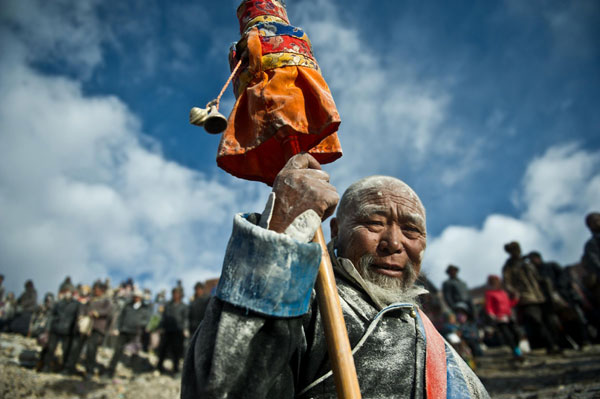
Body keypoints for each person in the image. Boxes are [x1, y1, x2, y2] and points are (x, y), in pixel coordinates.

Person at [181, 154, 489, 398]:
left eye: (411, 231)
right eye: (374, 223)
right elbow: (222, 387)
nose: (394, 243)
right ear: (336, 232)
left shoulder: (447, 358)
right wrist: (276, 243)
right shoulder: (308, 304)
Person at [502, 241, 560, 353]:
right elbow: (507, 283)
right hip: (526, 298)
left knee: (549, 321)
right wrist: (515, 292)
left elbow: (538, 276)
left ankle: (555, 344)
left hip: (540, 295)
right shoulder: (509, 266)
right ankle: (548, 346)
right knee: (536, 321)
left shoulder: (527, 263)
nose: (516, 252)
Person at [66, 281, 113, 376]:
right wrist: (81, 315)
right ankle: (70, 368)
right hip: (85, 327)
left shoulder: (106, 301)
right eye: (95, 289)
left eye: (97, 289)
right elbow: (82, 308)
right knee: (76, 347)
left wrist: (97, 313)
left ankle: (89, 370)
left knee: (91, 349)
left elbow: (108, 311)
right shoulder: (90, 300)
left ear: (102, 291)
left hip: (96, 328)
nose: (95, 291)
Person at [106, 288, 151, 377]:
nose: (136, 298)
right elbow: (120, 317)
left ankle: (135, 372)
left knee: (135, 352)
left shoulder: (145, 308)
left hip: (136, 333)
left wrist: (139, 324)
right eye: (135, 297)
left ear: (141, 298)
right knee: (118, 350)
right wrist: (117, 328)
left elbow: (147, 320)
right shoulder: (128, 306)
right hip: (124, 331)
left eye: (138, 297)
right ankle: (110, 371)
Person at [40, 283, 79, 372]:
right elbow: (52, 316)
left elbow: (76, 318)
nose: (67, 293)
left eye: (68, 291)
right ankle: (46, 366)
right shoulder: (59, 303)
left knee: (66, 350)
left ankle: (64, 368)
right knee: (51, 348)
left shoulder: (76, 304)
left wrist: (74, 330)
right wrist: (48, 328)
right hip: (56, 328)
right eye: (65, 291)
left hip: (68, 331)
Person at [484, 275, 522, 360]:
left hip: (509, 316)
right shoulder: (489, 294)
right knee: (508, 335)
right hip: (500, 318)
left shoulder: (503, 292)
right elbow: (489, 307)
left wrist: (516, 299)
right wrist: (492, 315)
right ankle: (516, 352)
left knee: (516, 333)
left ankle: (516, 348)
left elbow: (509, 304)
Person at [157, 286, 188, 375]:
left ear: (180, 295)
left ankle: (175, 369)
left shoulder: (184, 306)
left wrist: (185, 328)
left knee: (176, 351)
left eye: (178, 293)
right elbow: (163, 317)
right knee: (163, 349)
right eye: (174, 293)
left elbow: (185, 318)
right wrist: (161, 327)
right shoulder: (167, 305)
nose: (176, 295)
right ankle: (159, 367)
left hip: (178, 331)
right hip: (167, 330)